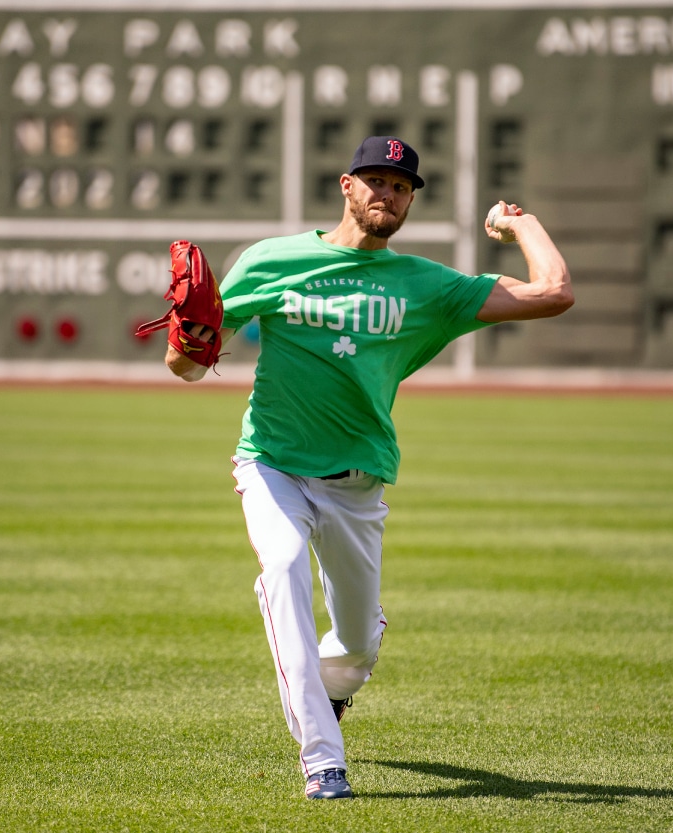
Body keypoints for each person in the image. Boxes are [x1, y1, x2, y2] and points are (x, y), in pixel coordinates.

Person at [164, 136, 573, 800]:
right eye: (376, 179)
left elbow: (554, 292)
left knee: (355, 651)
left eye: (402, 185)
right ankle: (323, 758)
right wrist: (189, 346)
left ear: (411, 200)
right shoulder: (272, 260)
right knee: (284, 568)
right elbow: (185, 365)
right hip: (272, 465)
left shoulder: (424, 287)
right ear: (346, 186)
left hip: (358, 485)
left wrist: (519, 221)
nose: (388, 192)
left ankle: (331, 687)